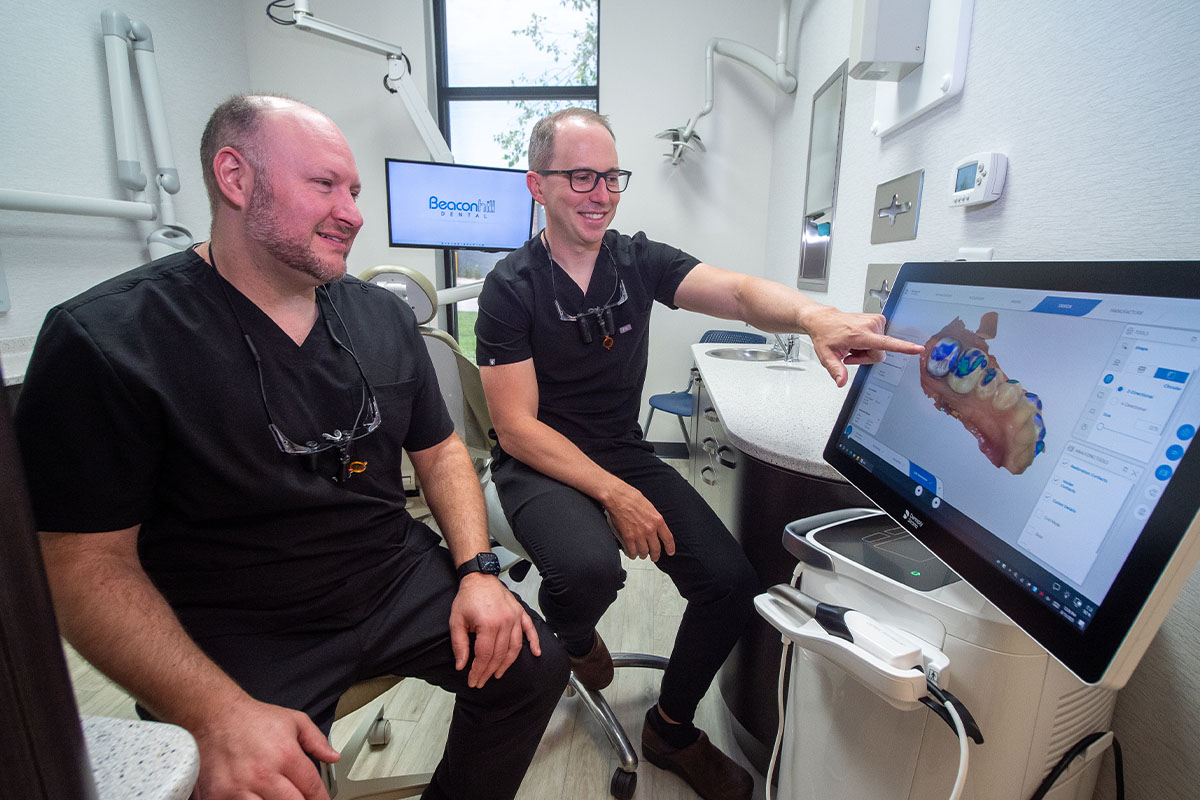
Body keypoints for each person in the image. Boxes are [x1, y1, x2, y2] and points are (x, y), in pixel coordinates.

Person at [14, 94, 569, 800]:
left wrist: (479, 571)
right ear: (235, 177)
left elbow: (440, 452)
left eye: (354, 191)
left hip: (389, 576)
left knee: (534, 667)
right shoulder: (109, 340)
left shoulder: (381, 318)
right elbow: (80, 565)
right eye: (324, 185)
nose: (353, 212)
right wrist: (214, 714)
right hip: (231, 619)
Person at [475, 108, 924, 800]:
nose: (601, 193)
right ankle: (573, 635)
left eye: (612, 177)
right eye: (582, 177)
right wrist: (615, 495)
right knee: (589, 570)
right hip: (538, 461)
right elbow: (515, 428)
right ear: (537, 185)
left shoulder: (636, 261)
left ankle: (671, 728)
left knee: (730, 583)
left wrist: (812, 316)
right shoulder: (511, 287)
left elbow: (739, 294)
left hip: (620, 449)